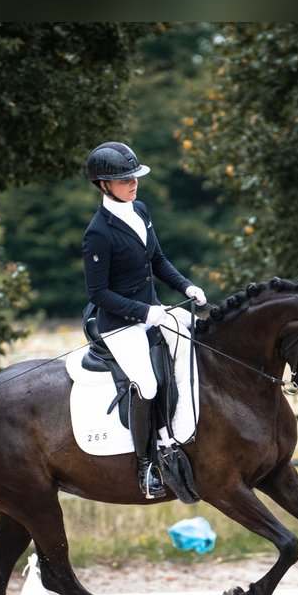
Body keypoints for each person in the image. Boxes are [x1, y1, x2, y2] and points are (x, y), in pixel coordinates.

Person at [81, 141, 206, 498]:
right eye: (124, 180)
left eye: (134, 177)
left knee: (192, 341)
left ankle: (182, 433)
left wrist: (186, 286)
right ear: (104, 185)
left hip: (151, 313)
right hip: (120, 324)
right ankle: (147, 463)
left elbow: (158, 260)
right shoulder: (98, 234)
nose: (133, 184)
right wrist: (144, 312)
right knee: (147, 385)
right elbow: (98, 294)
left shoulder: (141, 210)